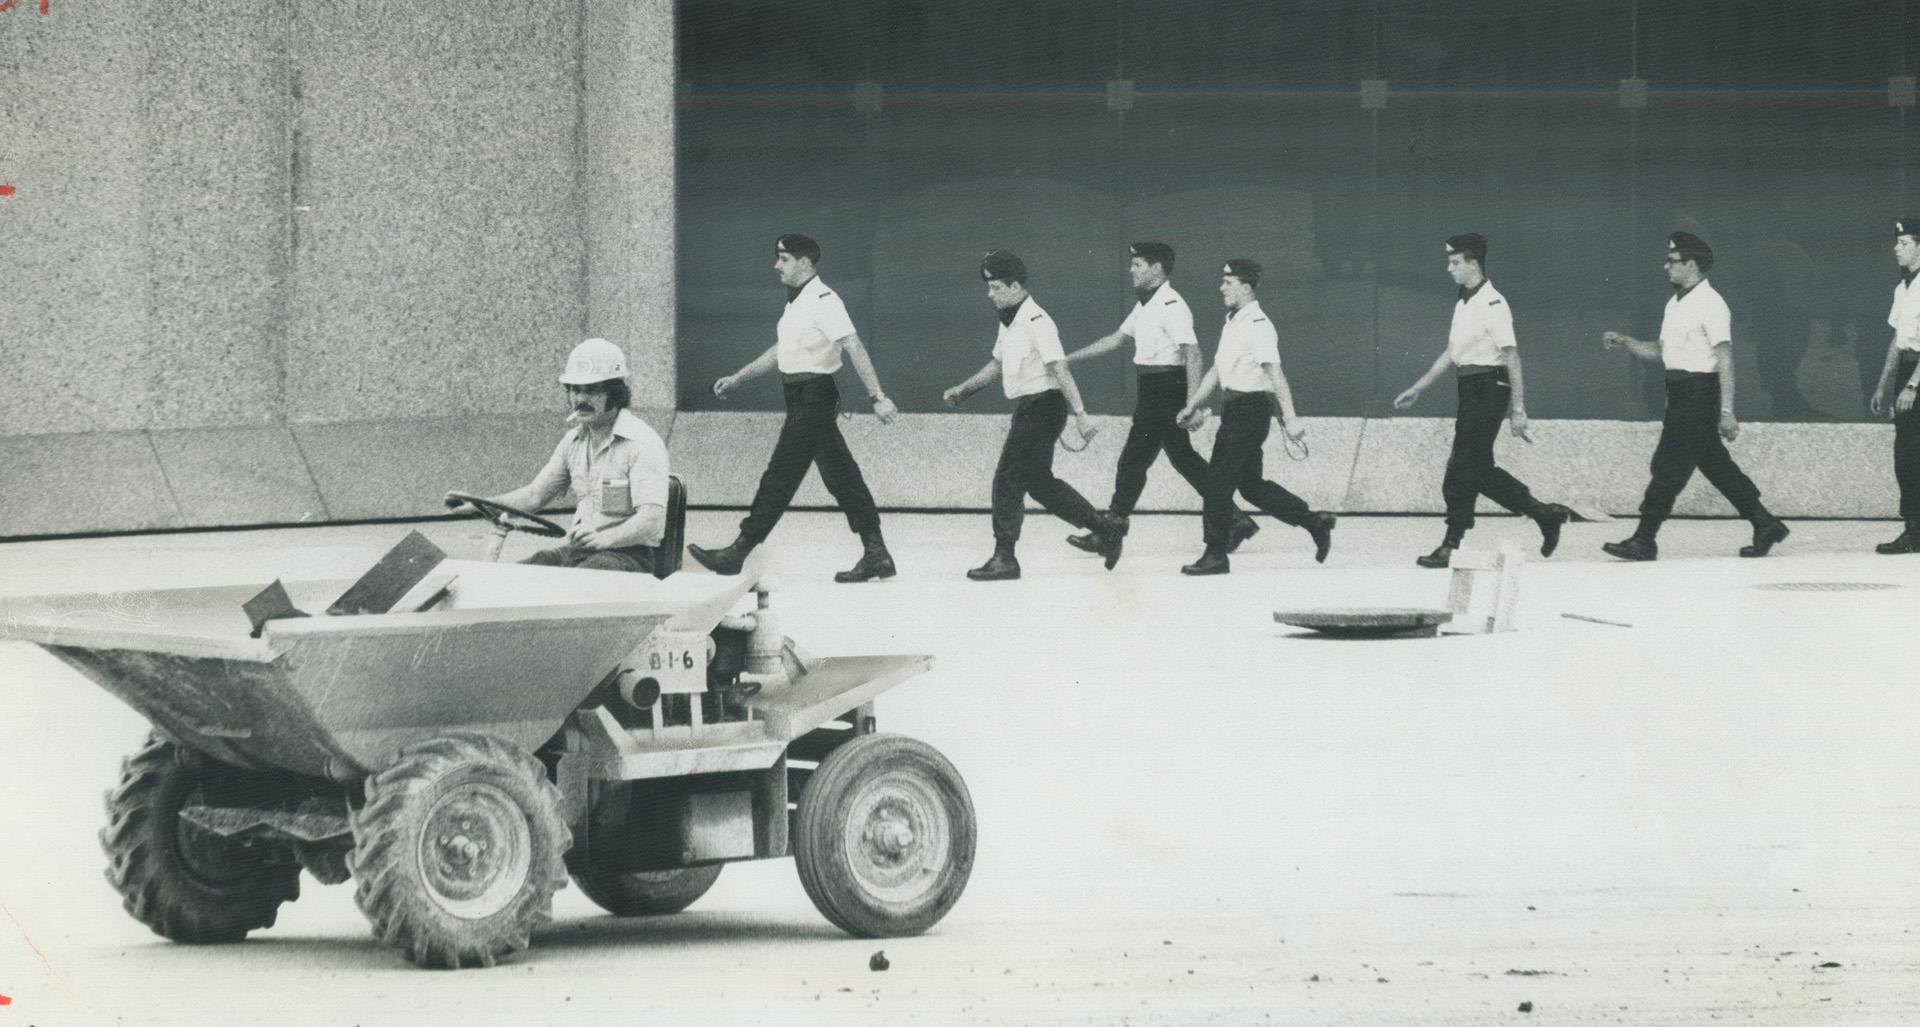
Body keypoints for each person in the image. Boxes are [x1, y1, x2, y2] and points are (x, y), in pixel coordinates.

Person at [687, 234, 901, 582]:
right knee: (841, 475)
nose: (777, 265)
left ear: (804, 262)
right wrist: (739, 378)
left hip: (815, 397)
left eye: (784, 259)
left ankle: (738, 552)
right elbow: (780, 352)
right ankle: (876, 552)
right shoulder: (797, 303)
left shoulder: (824, 299)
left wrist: (878, 397)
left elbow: (854, 346)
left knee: (781, 475)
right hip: (801, 397)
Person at [1599, 233, 1789, 561]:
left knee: (1667, 468)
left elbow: (1725, 358)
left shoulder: (1712, 305)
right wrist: (1626, 342)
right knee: (1715, 465)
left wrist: (1727, 411)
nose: (1665, 267)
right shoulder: (1675, 304)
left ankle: (1644, 539)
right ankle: (1765, 522)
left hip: (1700, 395)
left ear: (1691, 265)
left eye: (1672, 261)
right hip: (1679, 395)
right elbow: (1660, 351)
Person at [1062, 243, 1259, 555]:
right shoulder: (1146, 305)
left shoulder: (1172, 305)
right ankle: (1235, 519)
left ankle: (1112, 528)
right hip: (1153, 388)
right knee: (1184, 460)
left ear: (1156, 269)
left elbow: (1193, 353)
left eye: (1138, 264)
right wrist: (1066, 360)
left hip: (1167, 390)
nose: (1131, 270)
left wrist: (1191, 403)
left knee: (1133, 460)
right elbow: (1114, 339)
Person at [942, 249, 1125, 581]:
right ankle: (1105, 529)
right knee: (1039, 482)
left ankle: (1005, 557)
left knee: (1008, 479)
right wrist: (964, 389)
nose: (990, 294)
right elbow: (997, 364)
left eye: (995, 287)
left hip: (1043, 406)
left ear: (1014, 286)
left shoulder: (1037, 321)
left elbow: (1059, 367)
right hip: (1032, 407)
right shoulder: (1012, 318)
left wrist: (1081, 414)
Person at [1392, 233, 1572, 568]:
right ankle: (1544, 514)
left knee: (1461, 469)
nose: (1450, 269)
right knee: (1478, 470)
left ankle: (1452, 543)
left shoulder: (1493, 304)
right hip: (1472, 388)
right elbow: (1452, 352)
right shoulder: (1464, 302)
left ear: (1473, 263)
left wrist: (1518, 410)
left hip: (1491, 387)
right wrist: (1419, 387)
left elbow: (1512, 356)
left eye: (1455, 262)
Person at [1173, 259, 1337, 575]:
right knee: (1250, 485)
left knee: (1217, 482)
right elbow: (1217, 370)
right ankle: (1313, 521)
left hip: (1250, 412)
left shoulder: (1259, 325)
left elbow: (1275, 372)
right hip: (1236, 409)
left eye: (1228, 282)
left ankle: (1216, 553)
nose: (1221, 287)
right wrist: (1192, 404)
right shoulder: (1233, 322)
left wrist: (1291, 418)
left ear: (1245, 287)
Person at [459, 338, 669, 573]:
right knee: (518, 576)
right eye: (574, 390)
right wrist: (479, 505)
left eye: (591, 391)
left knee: (574, 582)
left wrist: (606, 539)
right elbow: (534, 496)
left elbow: (652, 522)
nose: (580, 400)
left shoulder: (641, 443)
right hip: (579, 550)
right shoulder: (573, 441)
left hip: (628, 556)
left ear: (615, 393)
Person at [1868, 217, 1920, 554]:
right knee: (1907, 456)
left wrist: (1913, 386)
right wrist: (1883, 385)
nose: (1896, 249)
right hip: (1907, 371)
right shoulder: (1902, 289)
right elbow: (1897, 342)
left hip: (1918, 376)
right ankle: (1914, 529)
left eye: (1903, 243)